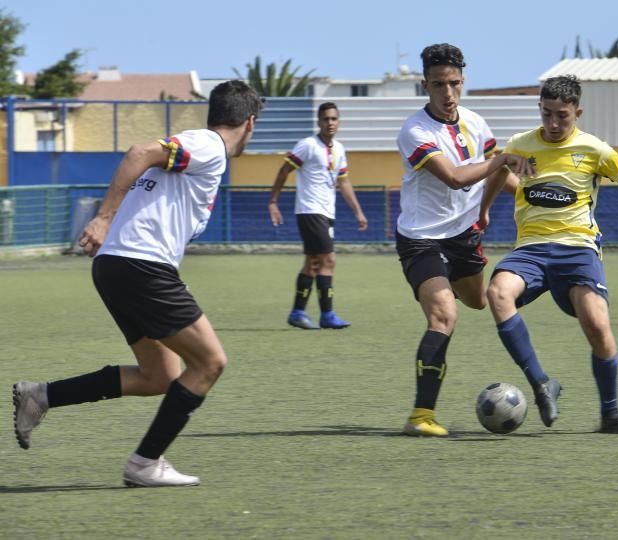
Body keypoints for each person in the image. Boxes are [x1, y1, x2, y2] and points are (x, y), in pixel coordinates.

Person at [12, 80, 263, 486]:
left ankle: (41, 396)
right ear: (250, 123)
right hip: (142, 266)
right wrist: (104, 216)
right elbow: (140, 152)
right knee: (210, 362)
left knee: (160, 376)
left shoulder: (196, 153)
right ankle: (145, 463)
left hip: (117, 265)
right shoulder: (210, 146)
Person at [479, 75, 618, 434]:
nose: (553, 124)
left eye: (562, 116)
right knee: (497, 293)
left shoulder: (594, 150)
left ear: (577, 112)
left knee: (597, 325)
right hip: (531, 250)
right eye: (546, 113)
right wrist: (483, 211)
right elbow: (496, 173)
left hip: (577, 248)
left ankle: (610, 413)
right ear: (539, 108)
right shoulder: (520, 145)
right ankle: (540, 383)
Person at [395, 43, 532, 437]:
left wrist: (531, 196)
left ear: (463, 81)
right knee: (444, 316)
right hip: (421, 239)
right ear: (425, 85)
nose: (448, 93)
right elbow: (454, 176)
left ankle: (439, 286)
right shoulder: (414, 130)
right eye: (438, 85)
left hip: (464, 236)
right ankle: (421, 415)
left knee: (477, 300)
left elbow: (497, 173)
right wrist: (503, 158)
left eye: (454, 83)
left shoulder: (474, 121)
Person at [269, 102, 368, 330]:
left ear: (339, 122)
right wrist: (273, 201)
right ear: (319, 122)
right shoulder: (307, 145)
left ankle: (298, 313)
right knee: (328, 259)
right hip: (310, 210)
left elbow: (343, 182)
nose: (330, 123)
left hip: (327, 211)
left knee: (313, 263)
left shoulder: (340, 149)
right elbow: (284, 171)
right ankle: (327, 314)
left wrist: (358, 211)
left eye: (334, 119)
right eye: (325, 119)